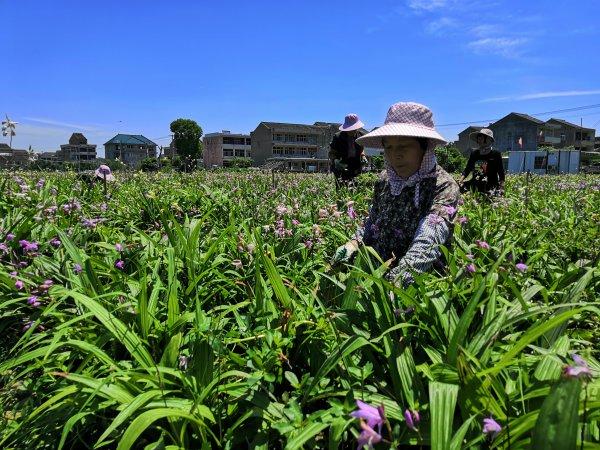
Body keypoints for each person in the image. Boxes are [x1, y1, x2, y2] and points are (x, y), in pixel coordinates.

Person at [332, 102, 461, 286]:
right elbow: (373, 222)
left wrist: (396, 282)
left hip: (420, 281)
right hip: (376, 269)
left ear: (425, 148)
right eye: (389, 147)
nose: (395, 155)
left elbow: (428, 240)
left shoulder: (443, 185)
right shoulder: (385, 180)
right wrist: (353, 243)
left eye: (404, 146)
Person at [459, 128, 505, 194]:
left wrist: (502, 188)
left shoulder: (496, 154)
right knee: (456, 187)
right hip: (475, 184)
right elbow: (468, 169)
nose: (479, 140)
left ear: (489, 140)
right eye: (478, 138)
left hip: (490, 186)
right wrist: (460, 180)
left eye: (482, 138)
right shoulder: (474, 153)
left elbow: (501, 172)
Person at [329, 114, 365, 184]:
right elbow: (332, 152)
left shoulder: (361, 135)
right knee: (341, 187)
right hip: (341, 166)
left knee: (355, 187)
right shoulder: (338, 137)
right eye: (350, 129)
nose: (353, 131)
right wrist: (336, 161)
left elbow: (362, 148)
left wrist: (363, 155)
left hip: (356, 166)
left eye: (354, 129)